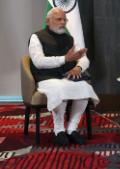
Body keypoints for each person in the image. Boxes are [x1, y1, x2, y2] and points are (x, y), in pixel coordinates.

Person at [28, 7, 99, 146]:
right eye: (58, 19)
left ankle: (72, 129)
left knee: (84, 87)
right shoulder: (36, 37)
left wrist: (78, 67)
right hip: (46, 78)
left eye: (64, 19)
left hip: (66, 77)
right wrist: (64, 59)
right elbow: (39, 62)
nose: (63, 22)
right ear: (48, 21)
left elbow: (84, 59)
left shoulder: (69, 38)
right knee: (60, 88)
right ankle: (59, 130)